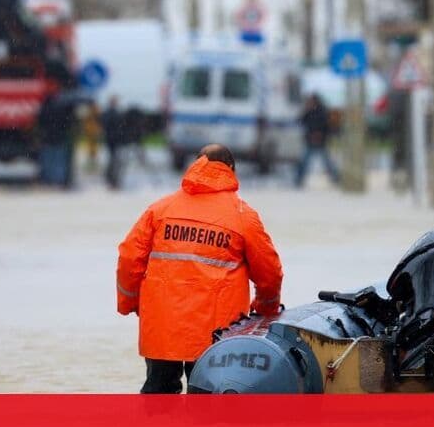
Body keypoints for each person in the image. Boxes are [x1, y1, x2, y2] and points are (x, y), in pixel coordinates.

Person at [116, 144, 283, 393]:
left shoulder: (160, 210)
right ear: (232, 170)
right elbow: (269, 272)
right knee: (207, 403)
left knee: (159, 395)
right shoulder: (242, 215)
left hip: (162, 325)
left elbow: (129, 260)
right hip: (216, 334)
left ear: (195, 165)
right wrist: (266, 309)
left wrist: (129, 302)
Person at [295, 93, 339, 187]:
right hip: (310, 140)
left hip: (321, 141)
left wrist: (321, 135)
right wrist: (305, 110)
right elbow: (300, 121)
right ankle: (298, 180)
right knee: (305, 162)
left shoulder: (323, 112)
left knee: (327, 162)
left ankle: (335, 178)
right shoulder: (308, 112)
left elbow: (327, 126)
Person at [102, 96, 127, 189]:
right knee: (114, 161)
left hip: (111, 140)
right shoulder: (115, 114)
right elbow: (119, 127)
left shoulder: (107, 113)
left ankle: (111, 179)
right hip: (114, 140)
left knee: (112, 161)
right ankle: (113, 180)